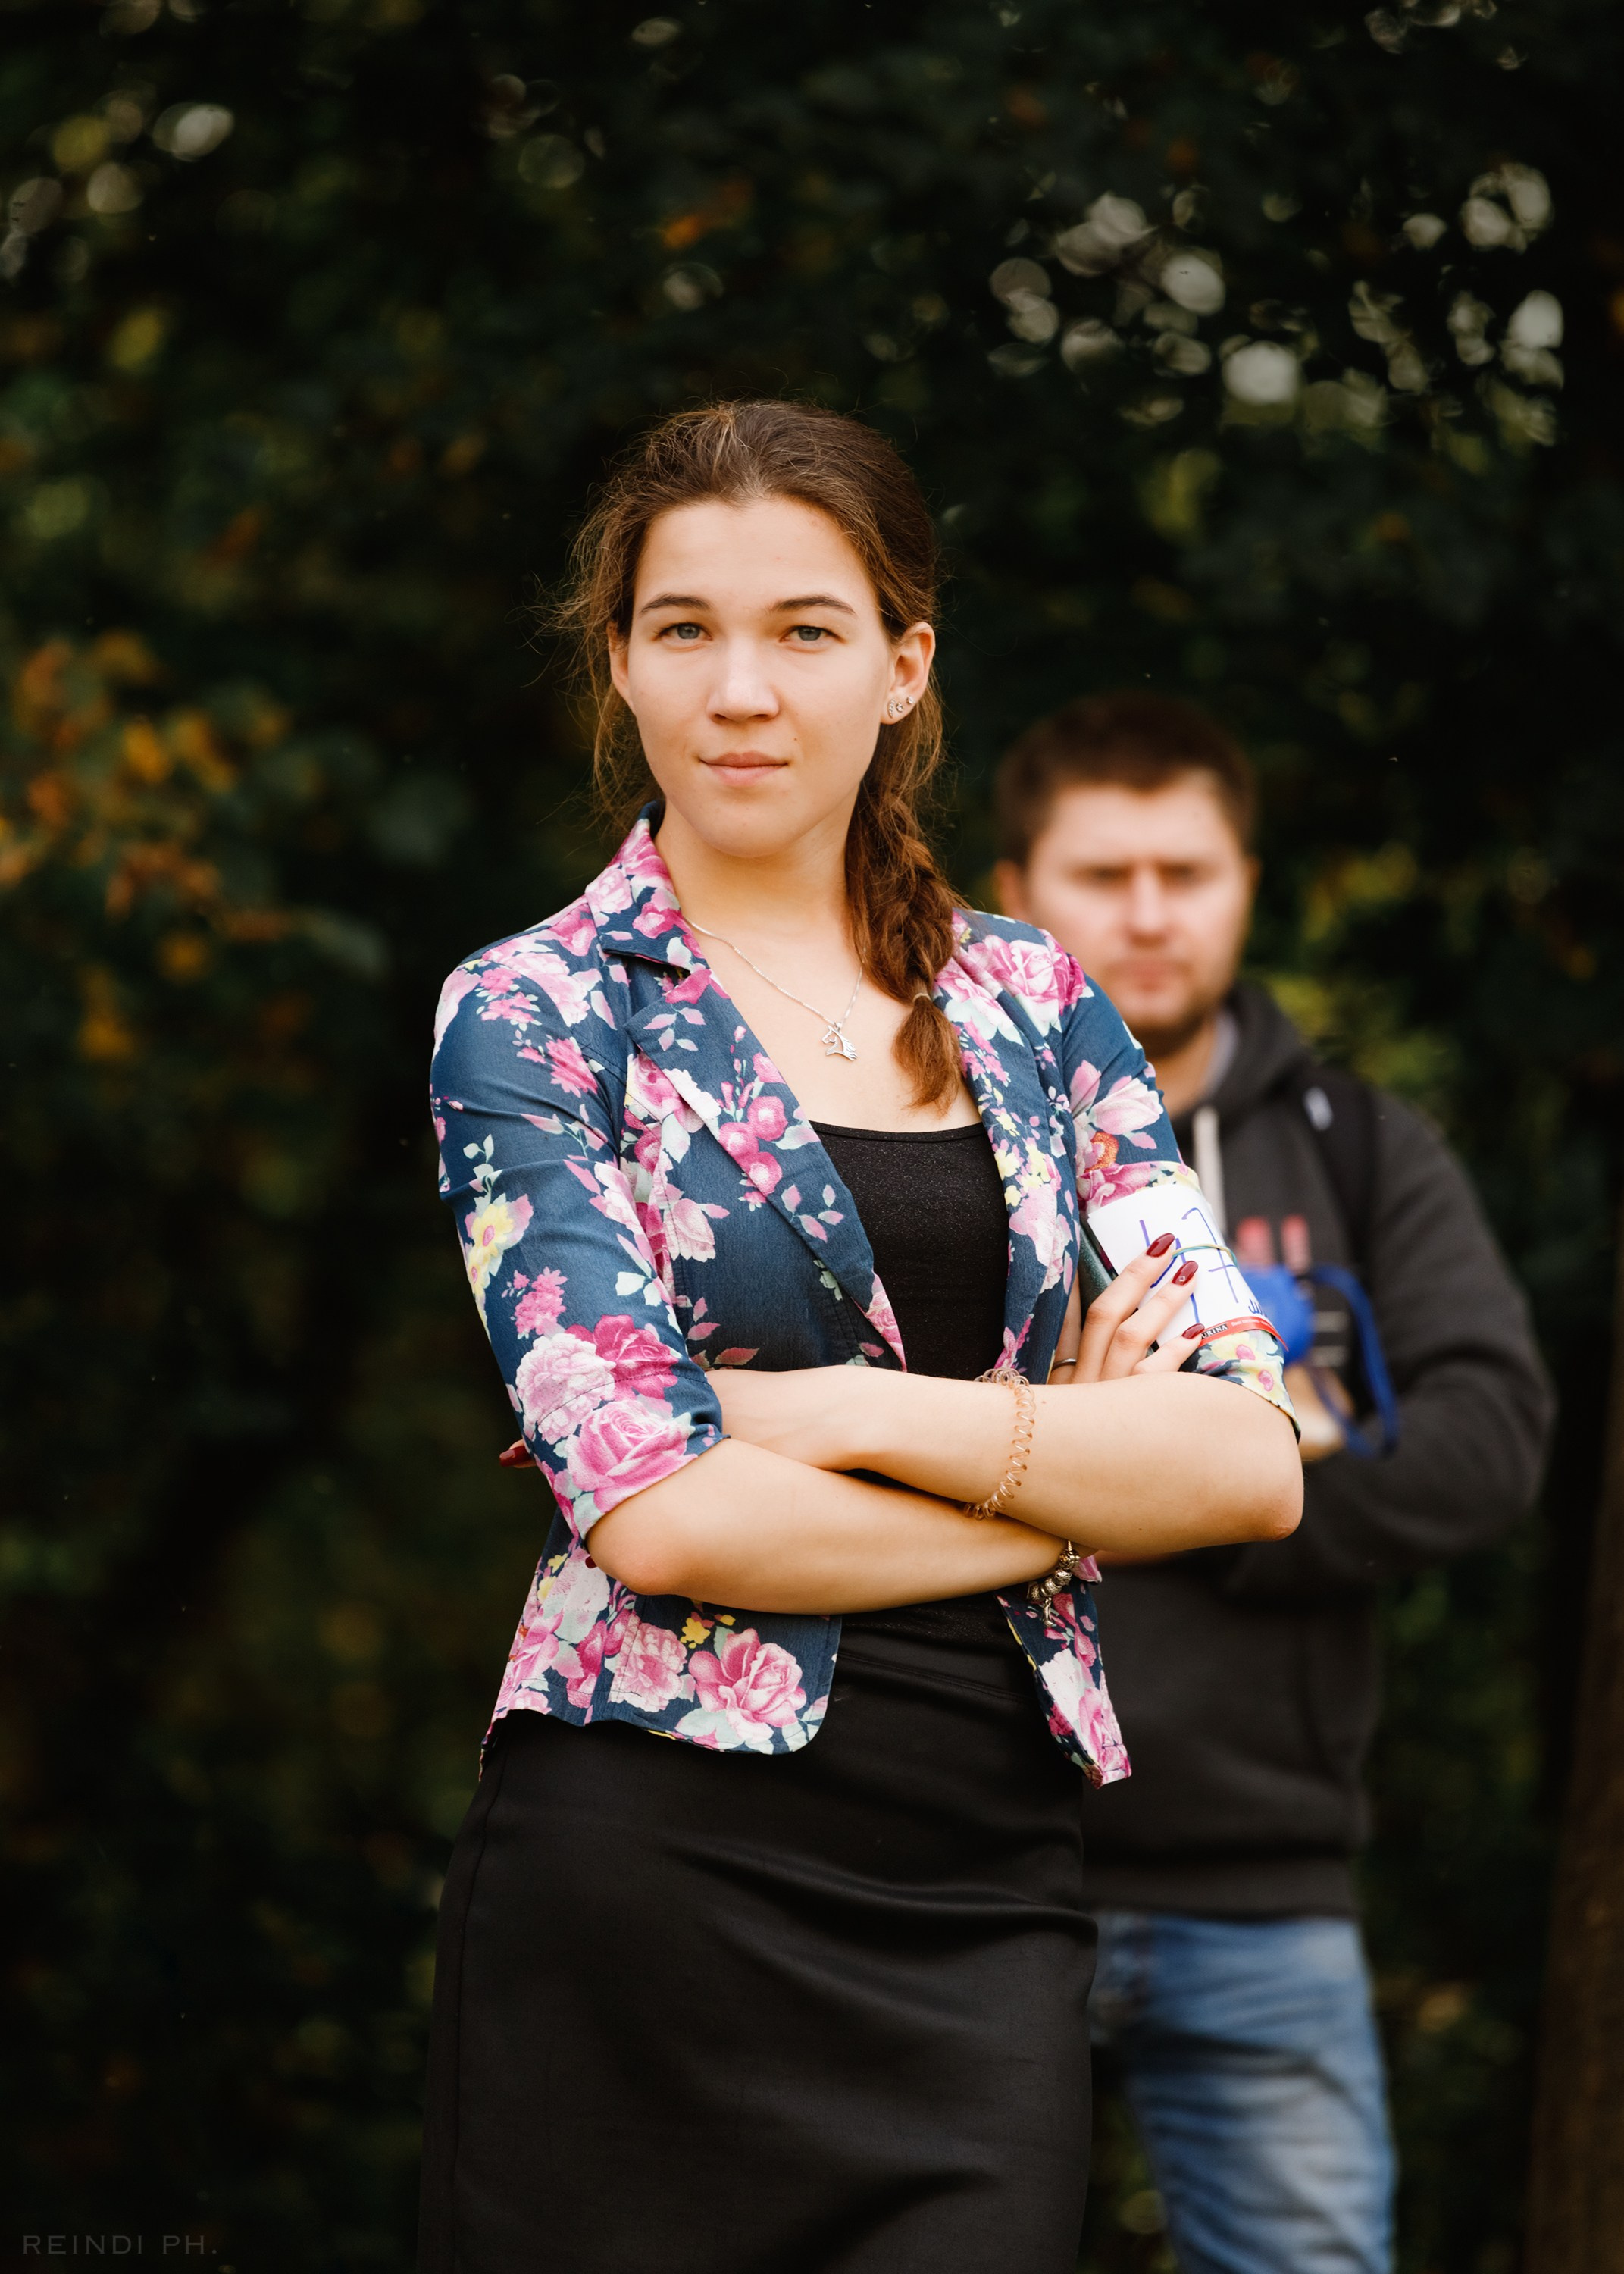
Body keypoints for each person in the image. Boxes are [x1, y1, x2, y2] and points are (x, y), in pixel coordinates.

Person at [418, 407, 1301, 2274]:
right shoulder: (532, 1015)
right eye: (684, 629)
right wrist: (1071, 1477)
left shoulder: (1039, 1004)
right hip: (645, 1870)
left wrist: (831, 1411)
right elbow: (659, 1517)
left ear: (904, 666)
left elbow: (1248, 1460)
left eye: (806, 630)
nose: (742, 688)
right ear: (621, 665)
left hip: (982, 1880)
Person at [994, 691, 1553, 2274]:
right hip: (972, 1863)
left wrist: (1228, 1494)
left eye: (1189, 870)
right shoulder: (931, 1135)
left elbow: (1491, 1439)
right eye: (1104, 874)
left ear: (1246, 883)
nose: (1150, 914)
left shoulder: (1359, 1148)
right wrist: (1221, 1446)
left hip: (1266, 1886)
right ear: (1016, 888)